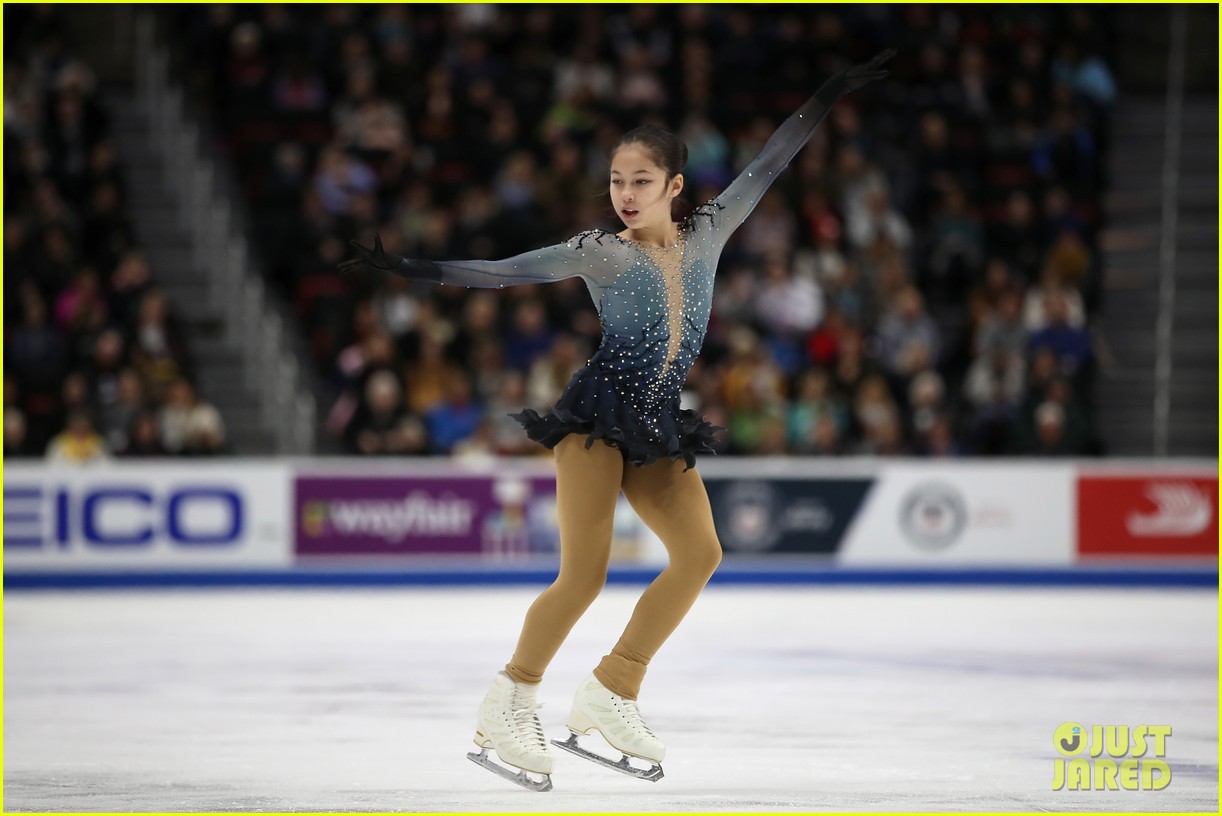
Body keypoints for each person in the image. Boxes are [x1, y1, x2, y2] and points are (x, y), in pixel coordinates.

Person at [341, 50, 894, 791]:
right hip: (595, 421)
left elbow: (769, 163)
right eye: (615, 181)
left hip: (657, 424)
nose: (625, 194)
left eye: (640, 181)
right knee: (584, 576)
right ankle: (508, 700)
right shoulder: (599, 254)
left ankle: (613, 687)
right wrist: (413, 269)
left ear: (674, 186)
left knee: (700, 554)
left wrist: (827, 92)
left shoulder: (710, 232)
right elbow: (506, 272)